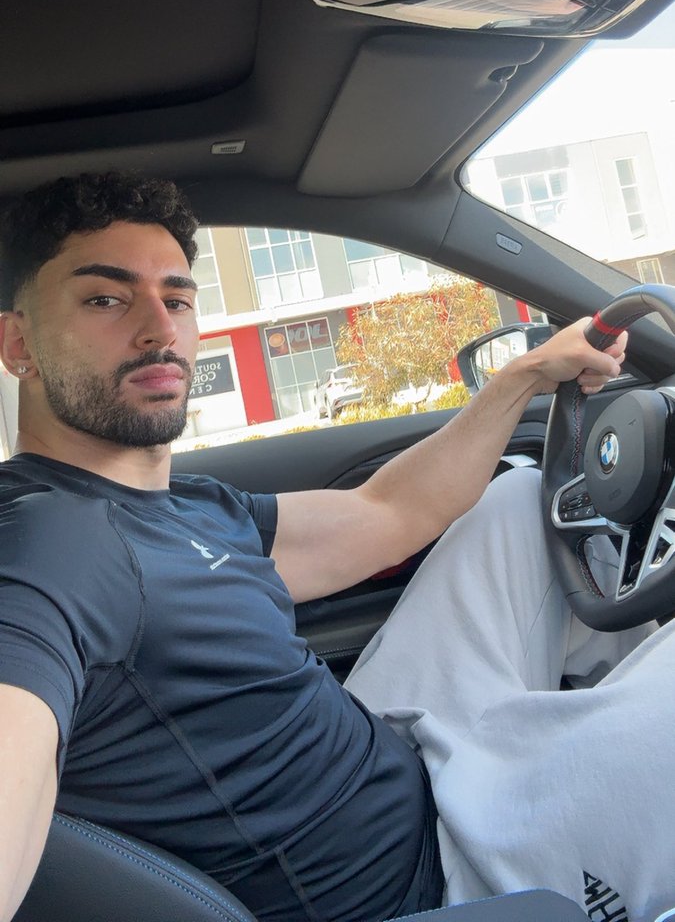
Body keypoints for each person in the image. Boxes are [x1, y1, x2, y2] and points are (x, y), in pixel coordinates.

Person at [0, 172, 651, 922]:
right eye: (105, 300)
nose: (159, 330)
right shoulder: (47, 545)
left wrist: (524, 375)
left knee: (518, 503)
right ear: (19, 344)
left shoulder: (188, 506)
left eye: (176, 300)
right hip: (437, 882)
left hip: (406, 762)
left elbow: (389, 511)